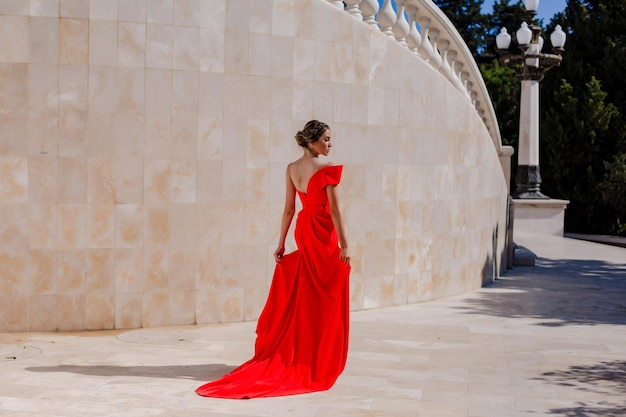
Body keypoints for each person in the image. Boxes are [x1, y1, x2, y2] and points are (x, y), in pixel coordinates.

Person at [196, 120, 351, 399]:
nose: (330, 145)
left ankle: (305, 351)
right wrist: (345, 245)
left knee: (310, 290)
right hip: (323, 232)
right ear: (312, 141)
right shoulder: (328, 171)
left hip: (305, 230)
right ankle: (315, 357)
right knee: (327, 291)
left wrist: (281, 243)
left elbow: (289, 210)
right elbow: (337, 212)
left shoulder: (292, 169)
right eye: (326, 139)